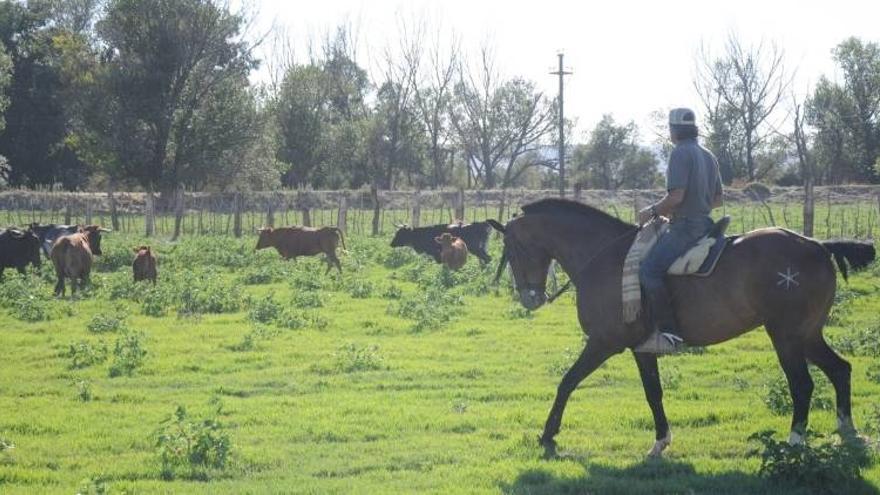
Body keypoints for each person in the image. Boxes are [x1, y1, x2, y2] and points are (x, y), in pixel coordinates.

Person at [634, 107, 723, 354]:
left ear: (673, 130)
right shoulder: (708, 155)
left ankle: (669, 334)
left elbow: (676, 195)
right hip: (705, 224)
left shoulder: (680, 154)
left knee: (649, 271)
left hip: (685, 228)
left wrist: (651, 212)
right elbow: (716, 200)